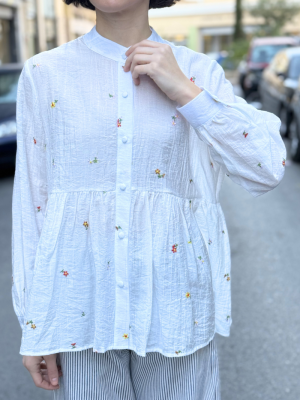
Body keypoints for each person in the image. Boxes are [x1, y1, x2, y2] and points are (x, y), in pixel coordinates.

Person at [11, 0, 286, 397]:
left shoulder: (197, 71)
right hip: (82, 308)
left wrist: (185, 91)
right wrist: (35, 323)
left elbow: (266, 167)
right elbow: (34, 202)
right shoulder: (45, 73)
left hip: (176, 304)